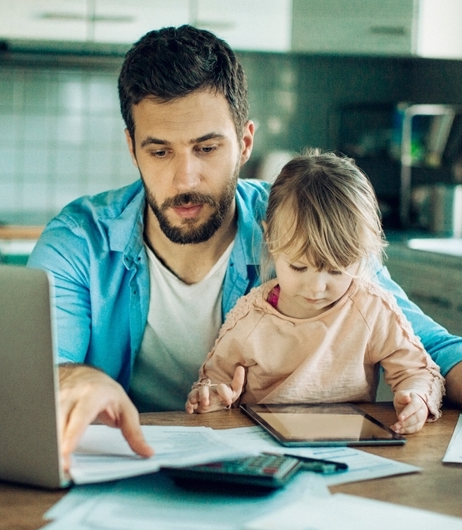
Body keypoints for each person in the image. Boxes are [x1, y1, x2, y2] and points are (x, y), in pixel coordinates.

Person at [27, 25, 462, 468]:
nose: (185, 177)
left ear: (245, 141)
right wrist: (73, 377)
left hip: (271, 471)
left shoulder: (298, 225)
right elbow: (37, 366)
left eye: (207, 148)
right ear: (131, 147)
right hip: (123, 465)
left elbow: (434, 348)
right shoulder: (79, 240)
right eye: (160, 151)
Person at [186, 149, 444, 434]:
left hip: (345, 445)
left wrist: (416, 398)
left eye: (336, 270)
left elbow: (418, 371)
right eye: (298, 267)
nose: (317, 287)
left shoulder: (371, 309)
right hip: (262, 443)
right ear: (270, 239)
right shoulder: (251, 317)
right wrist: (210, 397)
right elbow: (213, 380)